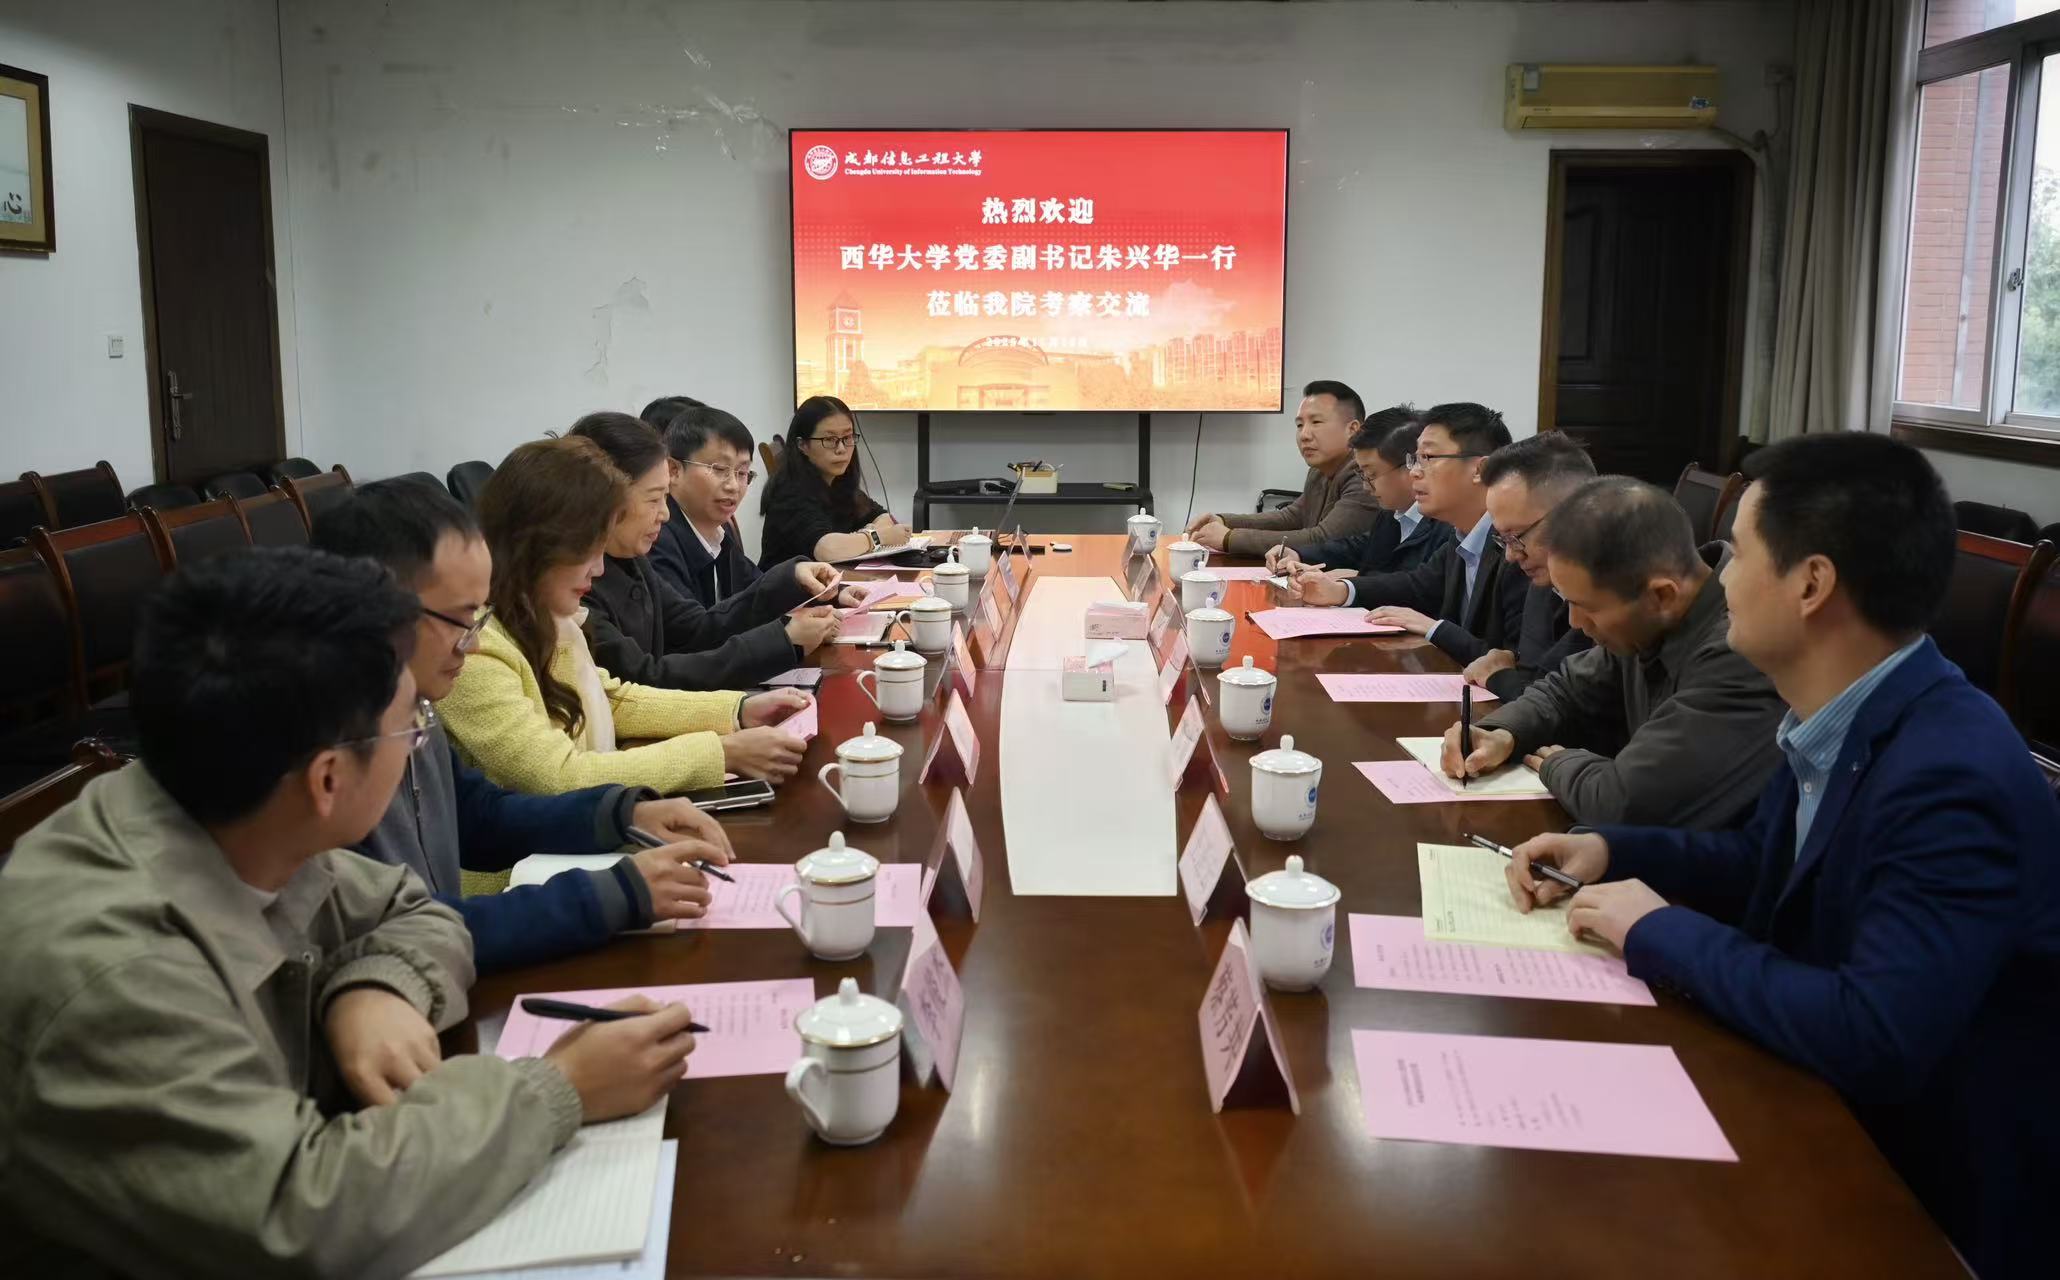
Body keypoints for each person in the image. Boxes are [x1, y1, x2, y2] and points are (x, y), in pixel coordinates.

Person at [0, 548, 702, 1276]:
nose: (419, 745)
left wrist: (376, 984)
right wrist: (560, 1089)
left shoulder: (239, 812)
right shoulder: (115, 975)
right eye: (412, 727)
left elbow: (409, 910)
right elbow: (303, 1213)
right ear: (329, 779)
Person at [1504, 435, 2060, 1280]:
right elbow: (1758, 862)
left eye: (1739, 555)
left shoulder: (1952, 772)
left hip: (1920, 1195)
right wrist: (1611, 846)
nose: (1719, 578)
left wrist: (1658, 930)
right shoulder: (1837, 713)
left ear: (1811, 584)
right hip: (1812, 1103)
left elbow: (1874, 1033)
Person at [314, 477, 739, 972]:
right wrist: (614, 893)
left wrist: (623, 814)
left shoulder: (413, 703)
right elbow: (408, 933)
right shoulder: (331, 757)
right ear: (383, 612)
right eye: (461, 618)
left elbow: (477, 814)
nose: (472, 642)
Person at [439, 437, 810, 795]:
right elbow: (556, 774)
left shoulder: (547, 617)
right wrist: (719, 753)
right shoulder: (475, 648)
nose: (599, 569)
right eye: (587, 551)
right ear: (535, 546)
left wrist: (738, 710)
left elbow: (611, 699)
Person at [1447, 476, 1784, 829]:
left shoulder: (1739, 649)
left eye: (1587, 607)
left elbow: (1626, 803)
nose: (1575, 623)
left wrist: (1558, 763)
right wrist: (1501, 733)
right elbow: (1565, 689)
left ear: (1662, 596)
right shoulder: (1646, 620)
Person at [568, 412, 848, 689]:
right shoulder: (576, 582)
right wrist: (784, 640)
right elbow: (643, 679)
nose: (665, 514)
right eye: (654, 499)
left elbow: (698, 628)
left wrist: (792, 580)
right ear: (603, 500)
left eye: (742, 473)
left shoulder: (633, 558)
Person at [1292, 402, 1524, 667]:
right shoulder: (1461, 536)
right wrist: (1339, 591)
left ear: (1480, 470)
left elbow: (1520, 665)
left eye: (1428, 458)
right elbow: (1417, 585)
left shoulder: (1519, 547)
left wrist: (1434, 629)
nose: (1413, 472)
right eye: (1416, 459)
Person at [1458, 432, 1596, 701]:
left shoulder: (1613, 592)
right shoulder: (1539, 581)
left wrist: (1500, 677)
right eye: (1502, 539)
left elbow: (1564, 702)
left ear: (1573, 515)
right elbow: (1534, 678)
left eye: (1516, 537)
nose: (1510, 556)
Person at [1184, 379, 1382, 555]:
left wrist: (1230, 538)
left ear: (1352, 429)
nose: (1304, 435)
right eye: (1299, 425)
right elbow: (1292, 517)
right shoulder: (1319, 471)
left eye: (1316, 422)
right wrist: (1224, 521)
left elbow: (1323, 539)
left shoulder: (1365, 475)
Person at [1265, 409, 1455, 578]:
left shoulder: (1447, 526)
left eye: (1371, 475)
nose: (1365, 486)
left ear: (1409, 466)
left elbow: (1416, 586)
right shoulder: (1391, 514)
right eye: (1362, 475)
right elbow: (1359, 547)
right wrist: (1299, 554)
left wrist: (1355, 582)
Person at [758, 395, 912, 566]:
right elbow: (827, 550)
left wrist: (865, 536)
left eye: (847, 438)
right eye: (830, 440)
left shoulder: (836, 479)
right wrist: (877, 537)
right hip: (787, 583)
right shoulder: (789, 492)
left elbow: (882, 516)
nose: (841, 449)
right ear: (802, 445)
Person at [647, 402, 769, 606]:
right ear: (673, 470)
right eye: (719, 469)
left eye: (742, 473)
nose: (733, 486)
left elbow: (756, 588)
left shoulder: (719, 529)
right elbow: (694, 624)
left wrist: (799, 579)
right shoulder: (656, 539)